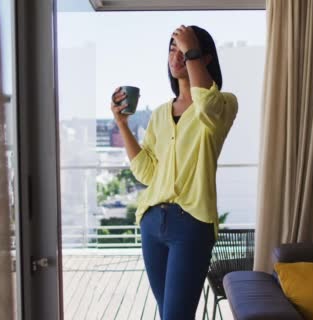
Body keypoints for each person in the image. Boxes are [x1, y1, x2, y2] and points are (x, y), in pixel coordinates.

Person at [110, 25, 238, 320]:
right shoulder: (159, 115)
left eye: (183, 49)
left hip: (191, 224)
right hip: (152, 222)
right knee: (168, 313)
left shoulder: (223, 104)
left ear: (204, 58)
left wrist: (189, 47)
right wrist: (122, 125)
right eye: (172, 48)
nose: (176, 55)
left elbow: (205, 102)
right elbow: (146, 172)